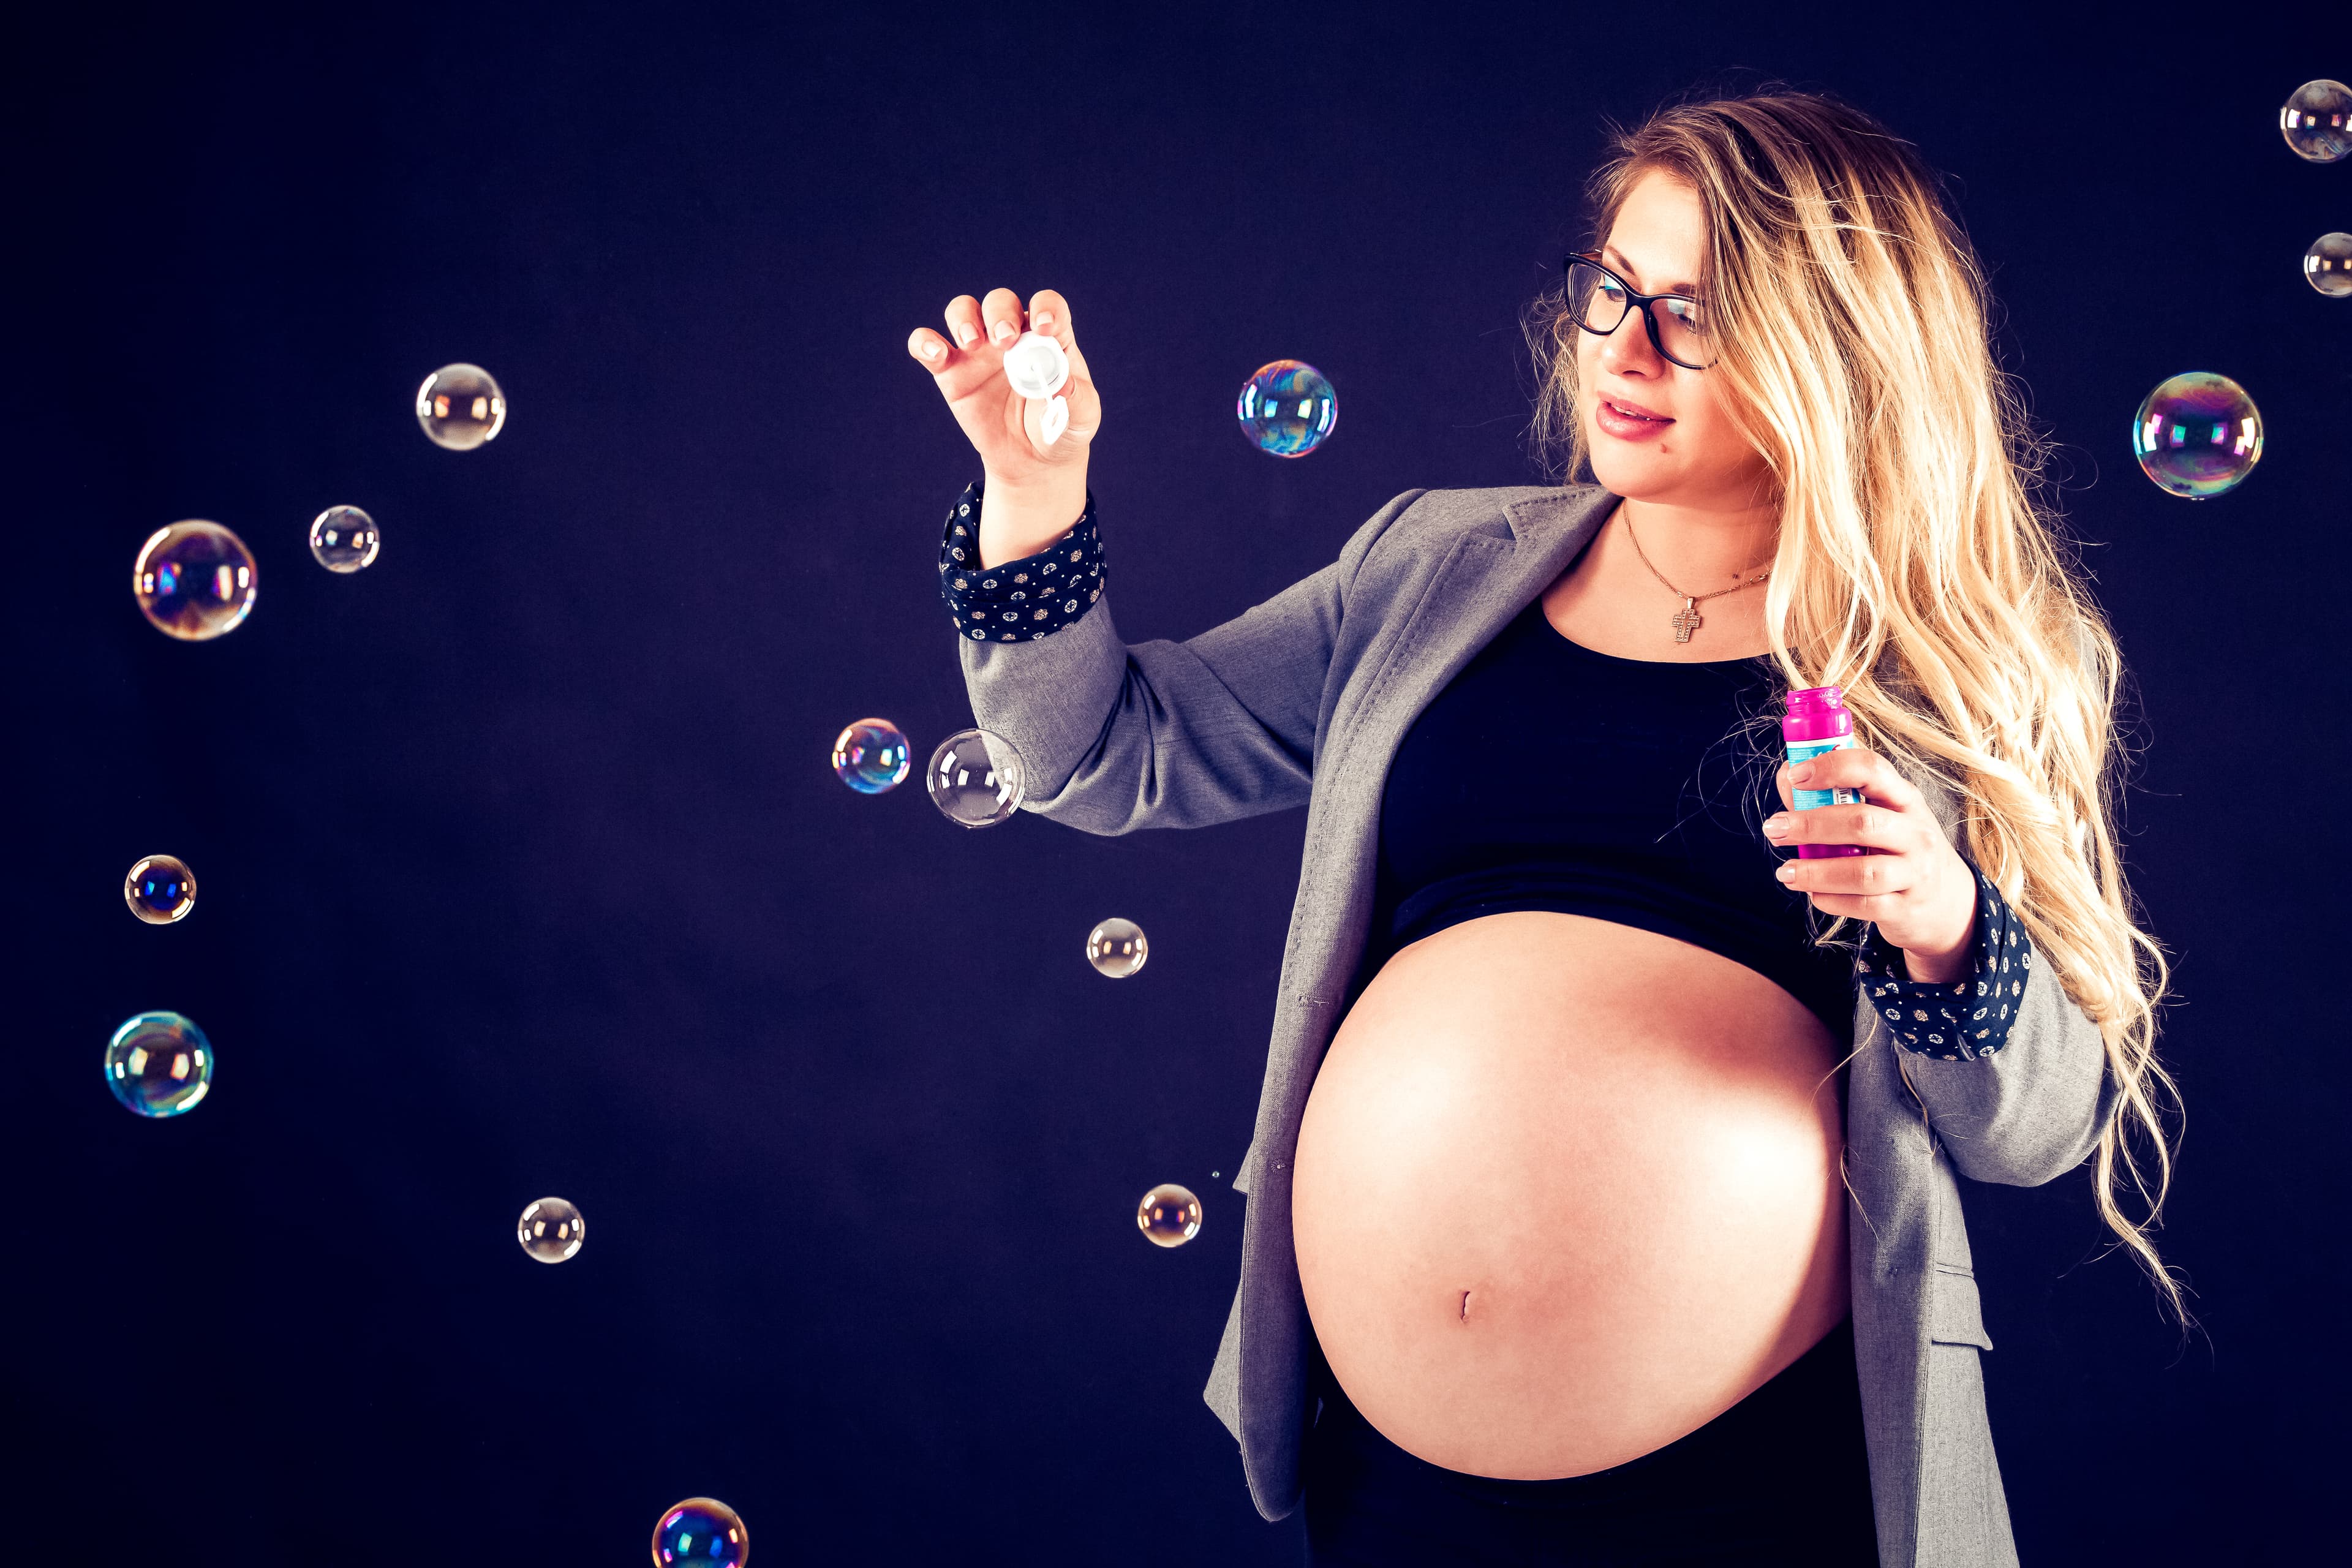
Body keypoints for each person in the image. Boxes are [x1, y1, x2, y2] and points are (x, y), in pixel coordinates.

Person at [904, 88, 2179, 1568]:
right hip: (1393, 1482)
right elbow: (1096, 752)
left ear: (1836, 356)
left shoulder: (1944, 669)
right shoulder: (1430, 565)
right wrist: (1034, 492)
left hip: (1757, 1491)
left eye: (1698, 315)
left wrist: (1947, 923)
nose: (1625, 348)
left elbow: (2037, 1128)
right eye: (1613, 289)